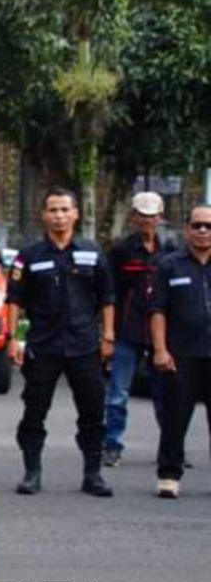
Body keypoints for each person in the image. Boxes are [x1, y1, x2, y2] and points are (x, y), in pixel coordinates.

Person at [6, 188, 115, 497]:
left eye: (65, 209)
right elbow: (14, 300)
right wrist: (14, 338)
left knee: (93, 412)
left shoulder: (92, 253)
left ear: (76, 214)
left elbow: (107, 298)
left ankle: (93, 474)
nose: (59, 215)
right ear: (43, 215)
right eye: (53, 210)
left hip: (84, 345)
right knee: (34, 411)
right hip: (44, 346)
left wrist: (108, 336)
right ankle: (32, 473)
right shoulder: (29, 257)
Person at [103, 191, 174, 467]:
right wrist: (108, 332)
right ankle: (112, 445)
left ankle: (171, 447)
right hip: (127, 330)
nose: (147, 221)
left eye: (152, 216)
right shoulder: (121, 251)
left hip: (160, 333)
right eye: (142, 216)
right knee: (118, 393)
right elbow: (109, 292)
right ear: (134, 217)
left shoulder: (170, 250)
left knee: (165, 394)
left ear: (160, 217)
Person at [148, 205, 211, 499]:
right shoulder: (169, 265)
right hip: (182, 353)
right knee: (175, 418)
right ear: (187, 229)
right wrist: (160, 350)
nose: (202, 231)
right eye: (197, 225)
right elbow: (158, 310)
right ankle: (169, 475)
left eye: (208, 226)